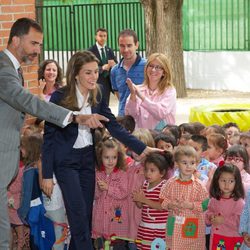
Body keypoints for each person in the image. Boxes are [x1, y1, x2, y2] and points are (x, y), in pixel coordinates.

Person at [0, 17, 107, 249]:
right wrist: (72, 116)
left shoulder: (13, 69)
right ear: (16, 40)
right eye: (34, 43)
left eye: (40, 44)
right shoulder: (3, 69)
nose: (38, 50)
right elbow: (26, 101)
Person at [41, 50, 155, 250]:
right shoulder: (60, 96)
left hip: (87, 159)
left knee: (84, 216)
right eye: (88, 72)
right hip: (65, 162)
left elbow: (113, 125)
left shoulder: (99, 92)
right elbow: (49, 138)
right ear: (75, 73)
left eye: (95, 72)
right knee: (77, 213)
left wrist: (143, 148)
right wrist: (47, 174)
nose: (94, 77)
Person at [160, 145, 209, 250]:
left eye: (192, 163)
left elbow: (205, 204)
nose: (189, 166)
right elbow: (162, 198)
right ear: (177, 164)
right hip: (174, 229)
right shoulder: (171, 183)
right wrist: (169, 204)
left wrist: (191, 205)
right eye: (184, 163)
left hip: (192, 230)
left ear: (196, 164)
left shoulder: (199, 185)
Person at [18, 134, 55, 249]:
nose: (20, 149)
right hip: (42, 208)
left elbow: (27, 195)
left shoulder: (29, 170)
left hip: (34, 211)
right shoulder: (41, 168)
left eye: (22, 147)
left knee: (36, 241)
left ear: (30, 149)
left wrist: (22, 213)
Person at [132, 151, 174, 250]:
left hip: (159, 229)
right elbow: (140, 206)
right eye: (146, 170)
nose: (148, 173)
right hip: (146, 228)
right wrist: (138, 199)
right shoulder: (145, 184)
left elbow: (162, 206)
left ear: (162, 173)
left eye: (152, 170)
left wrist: (144, 200)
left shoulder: (164, 186)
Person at [92, 136, 128, 249]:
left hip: (116, 221)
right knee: (100, 245)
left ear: (119, 157)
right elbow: (94, 196)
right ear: (100, 157)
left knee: (116, 245)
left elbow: (124, 193)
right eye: (106, 157)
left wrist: (108, 188)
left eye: (114, 157)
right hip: (100, 220)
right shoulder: (97, 173)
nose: (111, 161)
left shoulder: (122, 174)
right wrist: (99, 189)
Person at [125, 53, 176, 129]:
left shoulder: (170, 91)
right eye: (151, 66)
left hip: (162, 138)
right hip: (143, 137)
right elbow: (131, 116)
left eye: (158, 67)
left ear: (164, 72)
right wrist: (133, 95)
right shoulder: (137, 89)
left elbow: (161, 113)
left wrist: (142, 97)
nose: (153, 70)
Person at [206, 164, 245, 249]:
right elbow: (208, 216)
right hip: (216, 237)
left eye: (231, 181)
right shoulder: (214, 200)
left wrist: (224, 220)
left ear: (237, 182)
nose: (227, 185)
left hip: (233, 240)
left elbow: (241, 224)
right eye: (223, 180)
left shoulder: (239, 202)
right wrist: (210, 217)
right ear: (217, 181)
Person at [111, 29, 146, 116]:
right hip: (123, 118)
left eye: (129, 45)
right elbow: (119, 95)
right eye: (122, 46)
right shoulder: (114, 70)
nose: (126, 50)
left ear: (137, 45)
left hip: (143, 118)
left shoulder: (148, 67)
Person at [88, 28, 117, 105]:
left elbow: (115, 63)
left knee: (106, 104)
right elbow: (88, 66)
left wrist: (114, 64)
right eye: (100, 36)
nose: (103, 38)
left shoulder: (109, 50)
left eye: (105, 36)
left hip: (107, 82)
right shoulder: (91, 51)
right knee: (95, 103)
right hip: (96, 81)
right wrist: (101, 68)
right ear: (96, 37)